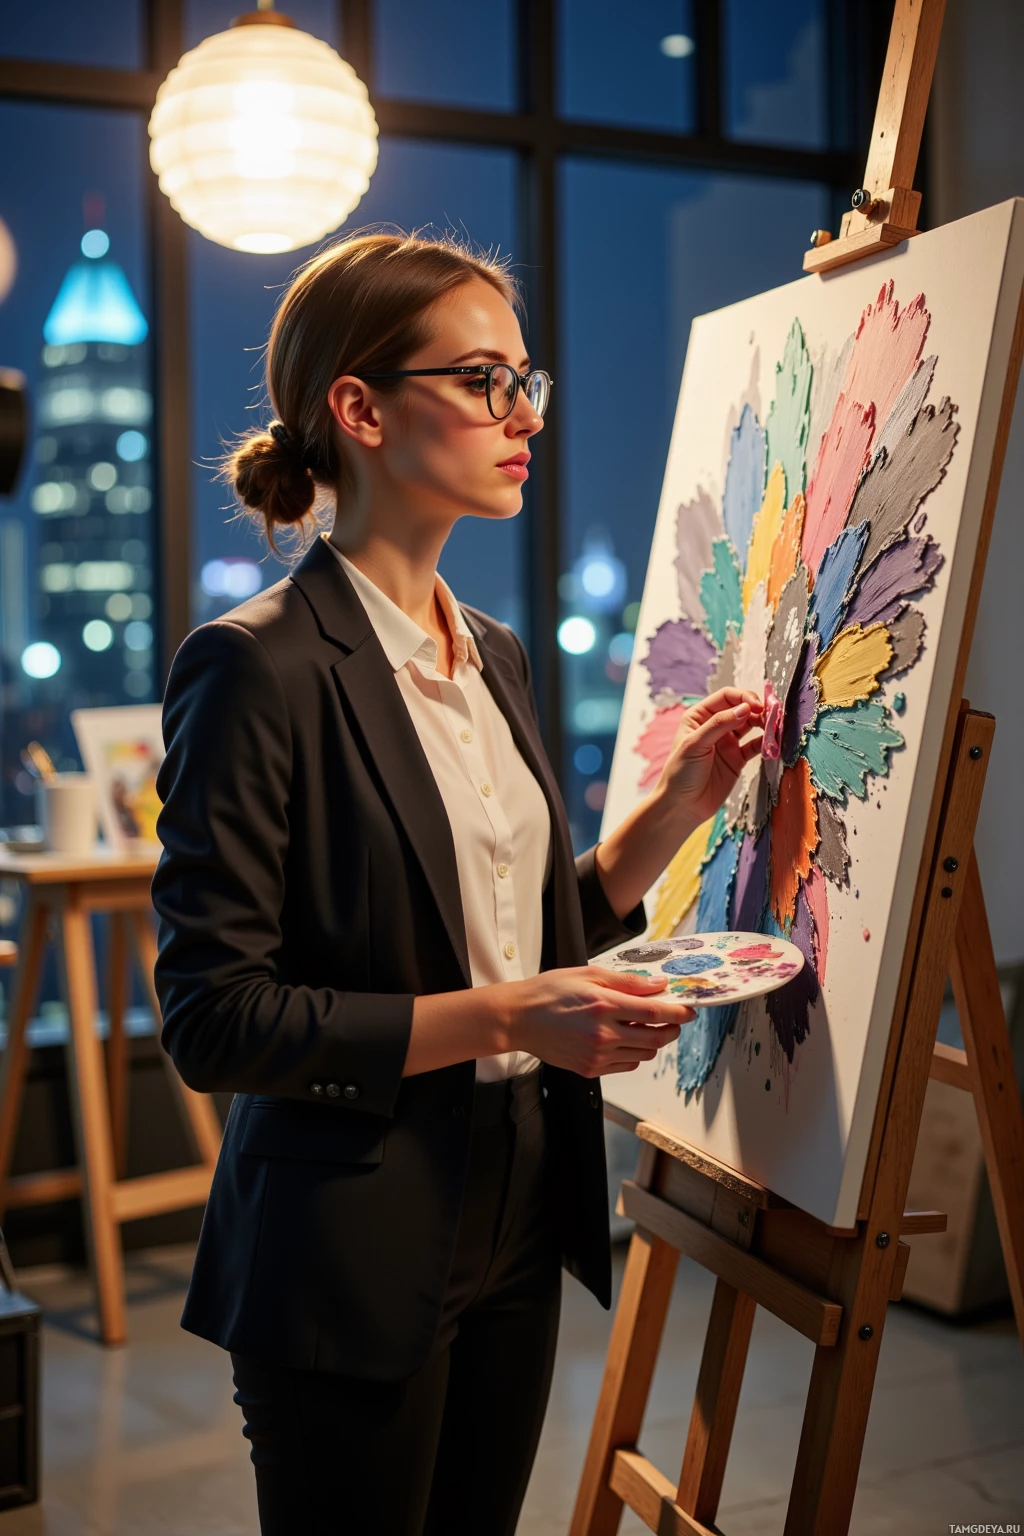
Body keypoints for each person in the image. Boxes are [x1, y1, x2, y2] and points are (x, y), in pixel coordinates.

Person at [151, 230, 764, 1536]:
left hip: (518, 1199)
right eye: (483, 379)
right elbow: (216, 1018)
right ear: (360, 410)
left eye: (525, 377)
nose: (521, 412)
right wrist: (509, 1019)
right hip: (346, 1230)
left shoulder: (494, 653)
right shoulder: (256, 665)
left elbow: (520, 939)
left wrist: (665, 821)